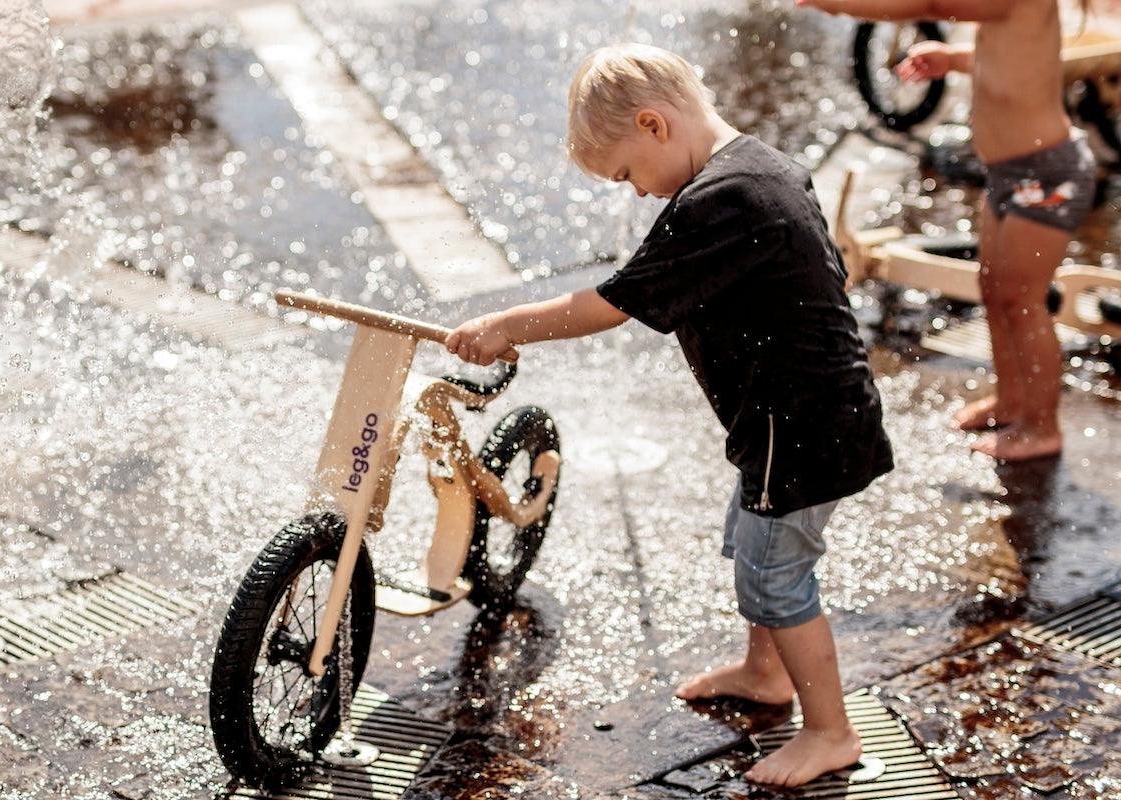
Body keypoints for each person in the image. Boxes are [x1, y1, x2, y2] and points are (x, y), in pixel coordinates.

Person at [444, 43, 894, 788]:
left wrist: (507, 325)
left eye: (625, 175)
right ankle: (764, 671)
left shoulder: (723, 199)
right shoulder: (758, 166)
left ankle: (830, 730)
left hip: (801, 427)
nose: (637, 194)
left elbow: (611, 303)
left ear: (654, 125)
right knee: (753, 543)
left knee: (778, 579)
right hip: (795, 420)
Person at [799, 0, 1096, 461]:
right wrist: (953, 60)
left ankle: (1042, 427)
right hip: (1008, 176)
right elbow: (1005, 58)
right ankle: (1011, 400)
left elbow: (931, 3)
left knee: (1022, 300)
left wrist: (841, 5)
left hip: (1046, 177)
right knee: (995, 290)